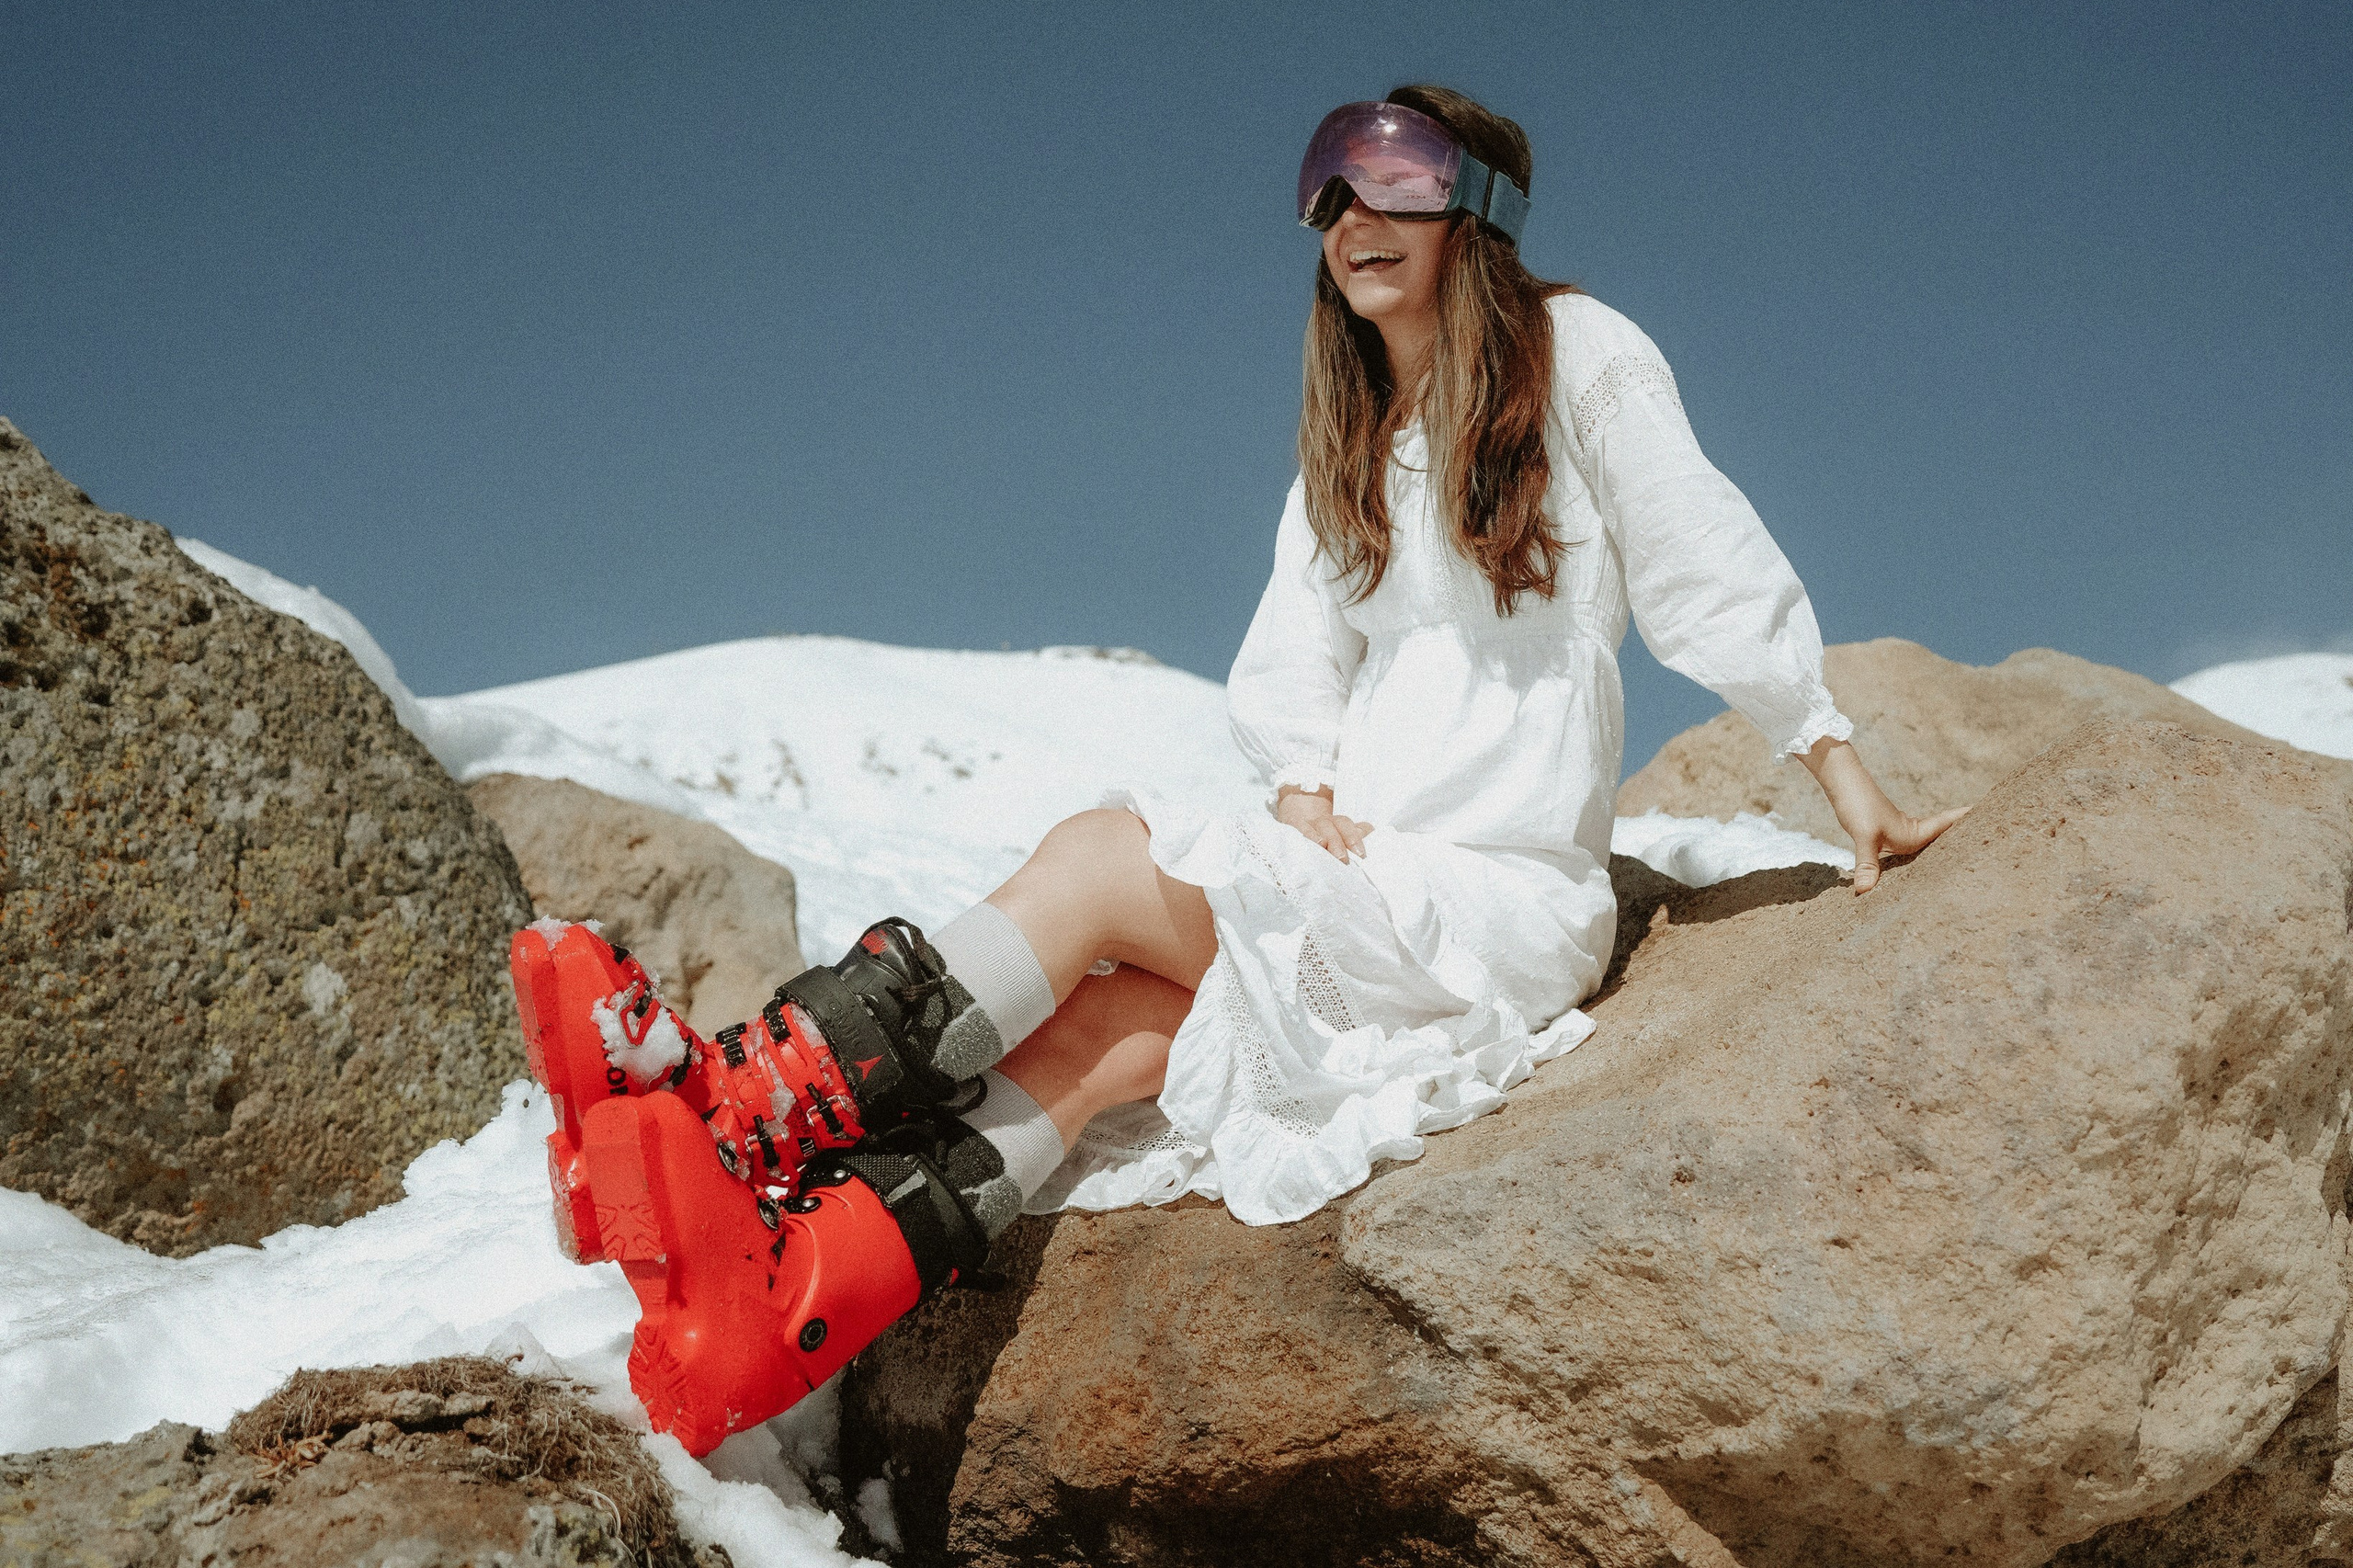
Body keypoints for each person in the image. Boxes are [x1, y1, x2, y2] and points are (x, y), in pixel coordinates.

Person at [511, 85, 1964, 1456]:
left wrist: (1837, 763)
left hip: (1493, 897)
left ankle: (729, 1112)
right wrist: (1295, 785)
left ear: (1482, 205)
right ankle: (786, 1301)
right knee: (1130, 1032)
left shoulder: (1577, 355)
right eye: (1326, 182)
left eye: (1395, 170)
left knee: (1097, 861)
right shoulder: (1355, 434)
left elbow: (1704, 552)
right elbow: (1290, 661)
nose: (1351, 206)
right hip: (1367, 868)